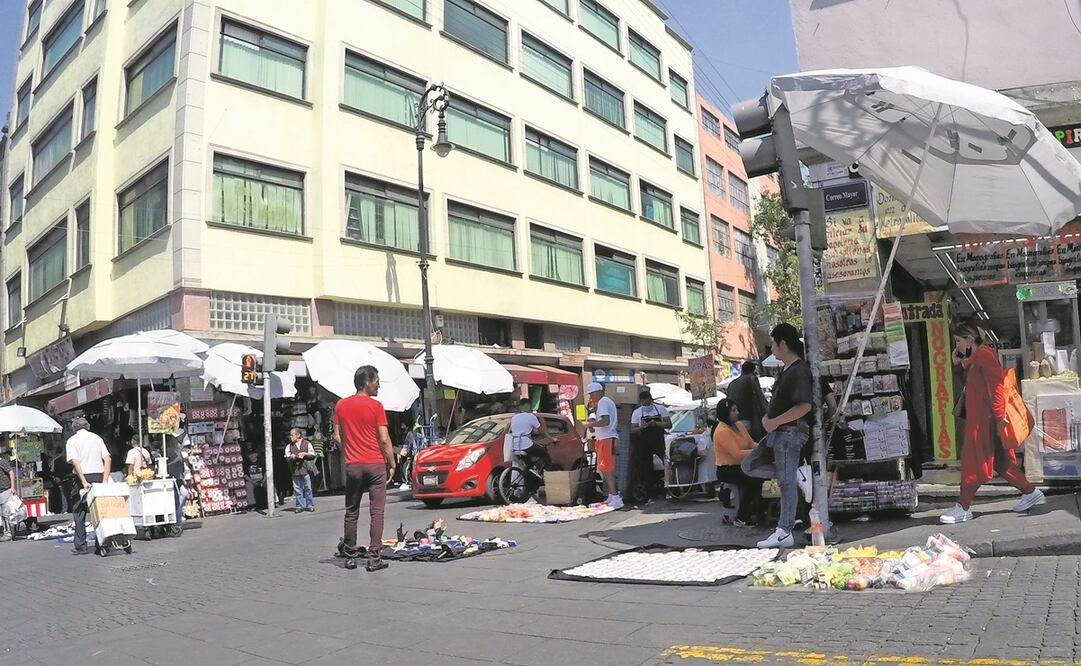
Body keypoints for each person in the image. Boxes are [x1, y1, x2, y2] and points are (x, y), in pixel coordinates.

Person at [940, 321, 1045, 524]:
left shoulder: (984, 355)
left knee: (972, 462)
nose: (957, 345)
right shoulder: (979, 356)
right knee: (1002, 462)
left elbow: (997, 387)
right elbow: (975, 378)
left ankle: (963, 507)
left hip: (984, 422)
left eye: (958, 341)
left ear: (969, 339)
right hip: (987, 420)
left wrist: (999, 417)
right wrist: (959, 361)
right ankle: (1030, 492)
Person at [741, 324, 815, 548]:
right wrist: (769, 421)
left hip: (790, 431)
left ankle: (784, 530)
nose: (771, 347)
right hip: (778, 432)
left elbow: (804, 406)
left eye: (773, 343)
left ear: (783, 344)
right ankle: (795, 476)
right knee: (749, 464)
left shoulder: (799, 369)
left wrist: (774, 421)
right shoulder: (786, 370)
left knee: (784, 482)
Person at [334, 365, 395, 572]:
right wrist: (392, 462)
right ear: (365, 383)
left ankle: (350, 556)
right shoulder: (376, 406)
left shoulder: (341, 405)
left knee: (351, 511)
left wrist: (349, 451)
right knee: (377, 511)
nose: (378, 384)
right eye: (376, 380)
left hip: (353, 465)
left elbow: (337, 436)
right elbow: (384, 439)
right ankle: (374, 558)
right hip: (375, 463)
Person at [713, 398, 763, 526]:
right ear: (726, 413)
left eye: (736, 410)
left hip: (742, 465)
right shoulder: (722, 431)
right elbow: (736, 454)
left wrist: (761, 447)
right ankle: (742, 516)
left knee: (762, 476)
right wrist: (756, 453)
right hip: (727, 469)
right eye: (733, 410)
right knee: (754, 480)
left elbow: (750, 443)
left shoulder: (739, 425)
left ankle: (757, 512)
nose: (737, 413)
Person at [66, 416, 111, 555]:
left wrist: (84, 481)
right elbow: (107, 458)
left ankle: (81, 545)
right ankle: (102, 542)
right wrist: (105, 480)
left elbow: (75, 462)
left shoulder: (72, 441)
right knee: (99, 510)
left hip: (81, 477)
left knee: (79, 511)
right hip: (98, 475)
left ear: (74, 428)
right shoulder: (97, 438)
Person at [586, 382, 623, 509]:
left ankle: (616, 497)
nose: (591, 397)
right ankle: (613, 496)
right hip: (604, 438)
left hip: (607, 438)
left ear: (597, 392)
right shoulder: (605, 402)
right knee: (604, 468)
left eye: (591, 394)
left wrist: (589, 425)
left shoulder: (603, 402)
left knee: (607, 469)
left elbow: (605, 421)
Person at [629, 390, 671, 499]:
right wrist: (642, 427)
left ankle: (669, 486)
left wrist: (656, 423)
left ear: (651, 400)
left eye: (648, 403)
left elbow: (669, 424)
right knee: (646, 466)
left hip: (658, 440)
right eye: (644, 403)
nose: (646, 405)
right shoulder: (637, 413)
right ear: (641, 402)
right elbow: (632, 430)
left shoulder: (660, 409)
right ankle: (650, 488)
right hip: (644, 442)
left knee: (666, 461)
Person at [504, 398, 553, 471]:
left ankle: (530, 474)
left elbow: (511, 430)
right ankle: (536, 468)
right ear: (529, 406)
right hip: (526, 445)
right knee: (545, 454)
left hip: (515, 446)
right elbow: (541, 430)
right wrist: (551, 438)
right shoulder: (531, 416)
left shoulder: (514, 417)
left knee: (528, 465)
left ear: (520, 407)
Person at [726, 361, 770, 442]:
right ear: (753, 371)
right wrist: (769, 411)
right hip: (748, 419)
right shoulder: (752, 378)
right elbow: (760, 397)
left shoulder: (732, 384)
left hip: (733, 422)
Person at [287, 428, 316, 513]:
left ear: (298, 435)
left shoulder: (307, 443)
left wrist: (305, 454)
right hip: (295, 470)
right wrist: (292, 457)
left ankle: (310, 505)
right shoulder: (289, 446)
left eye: (292, 435)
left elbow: (312, 455)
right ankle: (299, 506)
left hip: (305, 469)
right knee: (297, 489)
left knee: (308, 488)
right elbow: (287, 456)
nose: (291, 437)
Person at [0, 452, 16, 542]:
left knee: (6, 514)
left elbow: (11, 473)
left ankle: (9, 534)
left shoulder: (2, 462)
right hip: (1, 491)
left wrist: (12, 487)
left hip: (5, 490)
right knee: (3, 514)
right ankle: (8, 532)